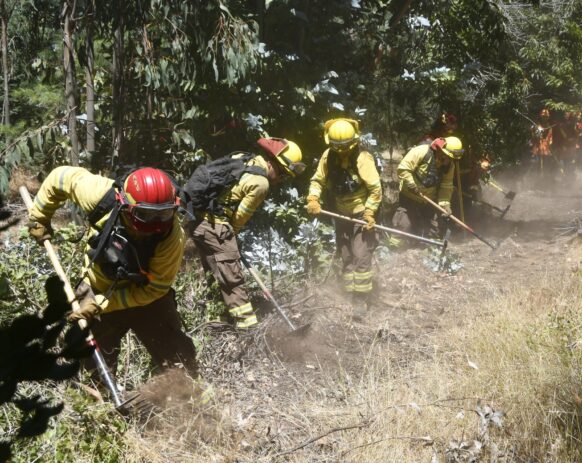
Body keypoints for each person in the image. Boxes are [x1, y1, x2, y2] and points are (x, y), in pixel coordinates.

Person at [27, 166, 198, 376]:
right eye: (145, 215)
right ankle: (99, 392)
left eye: (163, 215)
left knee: (178, 361)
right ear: (124, 203)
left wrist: (101, 304)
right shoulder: (100, 195)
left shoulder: (171, 237)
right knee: (91, 364)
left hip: (147, 296)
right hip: (98, 286)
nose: (155, 225)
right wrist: (39, 217)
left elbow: (155, 289)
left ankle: (182, 388)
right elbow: (59, 178)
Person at [186, 138, 304, 329]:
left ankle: (219, 318)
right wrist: (230, 237)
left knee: (215, 271)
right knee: (233, 278)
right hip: (217, 225)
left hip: (198, 220)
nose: (281, 179)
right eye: (282, 173)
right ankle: (247, 327)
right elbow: (240, 217)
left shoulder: (245, 158)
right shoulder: (261, 183)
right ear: (273, 163)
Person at [306, 118, 382, 317]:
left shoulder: (363, 158)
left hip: (361, 212)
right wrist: (313, 198)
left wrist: (369, 212)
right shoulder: (328, 156)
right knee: (346, 255)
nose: (341, 151)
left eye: (345, 147)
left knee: (361, 255)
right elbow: (317, 180)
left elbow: (376, 189)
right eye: (337, 147)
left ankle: (361, 300)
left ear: (354, 142)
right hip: (340, 211)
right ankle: (349, 294)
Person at [391, 136, 463, 240]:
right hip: (409, 197)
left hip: (429, 201)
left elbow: (446, 186)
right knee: (403, 229)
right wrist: (411, 184)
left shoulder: (449, 166)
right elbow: (403, 168)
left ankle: (428, 246)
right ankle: (395, 246)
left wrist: (445, 204)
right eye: (446, 157)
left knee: (434, 233)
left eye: (451, 159)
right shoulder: (422, 151)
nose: (447, 161)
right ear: (440, 150)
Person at [531, 109, 554, 184]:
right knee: (537, 164)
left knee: (546, 164)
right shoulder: (536, 125)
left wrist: (547, 143)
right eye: (543, 117)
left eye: (546, 117)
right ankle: (536, 180)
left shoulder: (549, 127)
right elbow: (533, 135)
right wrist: (537, 133)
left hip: (545, 148)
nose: (545, 118)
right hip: (537, 147)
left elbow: (550, 138)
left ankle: (546, 180)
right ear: (541, 117)